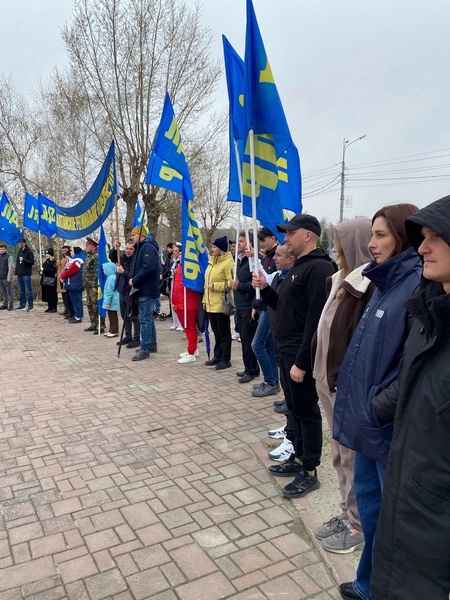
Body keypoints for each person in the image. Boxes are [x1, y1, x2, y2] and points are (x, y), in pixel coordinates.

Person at [333, 204, 422, 600]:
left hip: (385, 427)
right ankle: (368, 584)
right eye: (371, 235)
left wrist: (376, 406)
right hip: (368, 424)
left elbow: (412, 364)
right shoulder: (384, 281)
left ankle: (380, 587)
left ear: (403, 236)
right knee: (372, 514)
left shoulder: (418, 284)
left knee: (392, 520)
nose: (371, 244)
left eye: (381, 235)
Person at [370, 195, 450, 600]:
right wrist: (376, 408)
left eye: (437, 237)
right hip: (409, 498)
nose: (422, 247)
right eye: (423, 236)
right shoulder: (431, 309)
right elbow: (412, 377)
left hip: (437, 523)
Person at [253, 214, 336, 498]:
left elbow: (315, 321)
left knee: (307, 412)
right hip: (286, 351)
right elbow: (284, 308)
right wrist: (265, 290)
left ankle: (310, 470)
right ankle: (298, 458)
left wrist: (302, 362)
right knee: (295, 410)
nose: (286, 239)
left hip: (299, 356)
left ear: (308, 235)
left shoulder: (318, 268)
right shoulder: (298, 268)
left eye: (291, 233)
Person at [312, 218, 374, 554]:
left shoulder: (366, 286)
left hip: (344, 387)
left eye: (338, 242)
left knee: (351, 456)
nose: (334, 248)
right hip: (326, 381)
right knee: (336, 453)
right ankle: (345, 512)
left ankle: (358, 525)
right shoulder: (338, 279)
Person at [264, 243, 296, 463]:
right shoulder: (279, 277)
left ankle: (294, 440)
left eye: (279, 254)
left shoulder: (296, 277)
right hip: (279, 338)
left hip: (292, 345)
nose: (274, 258)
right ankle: (289, 427)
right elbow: (278, 305)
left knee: (297, 399)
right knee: (288, 393)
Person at [251, 227, 279, 397]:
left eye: (263, 240)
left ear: (273, 238)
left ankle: (270, 380)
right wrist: (256, 304)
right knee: (267, 345)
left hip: (270, 306)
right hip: (263, 305)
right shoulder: (268, 256)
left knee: (257, 344)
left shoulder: (276, 257)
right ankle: (273, 381)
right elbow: (258, 282)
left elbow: (269, 281)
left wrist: (255, 258)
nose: (261, 244)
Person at [128, 224, 161, 361]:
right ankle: (151, 344)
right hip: (143, 289)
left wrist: (135, 280)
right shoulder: (140, 248)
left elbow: (148, 267)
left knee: (145, 319)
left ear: (141, 235)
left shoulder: (147, 247)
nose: (132, 237)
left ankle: (145, 348)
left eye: (134, 235)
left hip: (146, 289)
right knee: (147, 319)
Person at [203, 235, 235, 370]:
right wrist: (204, 300)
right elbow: (206, 283)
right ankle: (218, 355)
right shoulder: (212, 262)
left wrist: (217, 286)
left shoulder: (228, 262)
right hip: (210, 303)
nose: (212, 249)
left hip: (221, 303)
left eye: (214, 247)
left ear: (220, 249)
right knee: (216, 332)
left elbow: (231, 282)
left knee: (224, 332)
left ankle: (226, 358)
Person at [232, 232, 259, 383]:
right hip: (240, 304)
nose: (239, 244)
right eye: (238, 241)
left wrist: (239, 286)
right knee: (244, 338)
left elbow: (255, 284)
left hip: (249, 305)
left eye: (242, 241)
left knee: (248, 340)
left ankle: (251, 370)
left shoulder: (253, 261)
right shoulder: (238, 260)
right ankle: (251, 367)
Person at [172, 249, 201, 364]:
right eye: (179, 254)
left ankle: (191, 352)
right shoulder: (179, 267)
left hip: (188, 303)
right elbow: (176, 286)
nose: (180, 255)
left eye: (182, 254)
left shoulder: (191, 268)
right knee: (186, 327)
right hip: (180, 302)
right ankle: (193, 348)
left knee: (190, 327)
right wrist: (174, 302)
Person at [110, 239, 140, 348]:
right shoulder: (122, 258)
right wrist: (115, 247)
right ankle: (128, 336)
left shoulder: (136, 260)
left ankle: (136, 338)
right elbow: (113, 257)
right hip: (121, 290)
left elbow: (135, 275)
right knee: (124, 315)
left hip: (131, 291)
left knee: (133, 316)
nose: (128, 251)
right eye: (127, 248)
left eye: (131, 249)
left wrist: (124, 272)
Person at [83, 237, 105, 334]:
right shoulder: (88, 256)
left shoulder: (96, 256)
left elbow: (97, 272)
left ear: (93, 246)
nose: (86, 247)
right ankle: (93, 323)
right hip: (88, 285)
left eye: (87, 246)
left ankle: (101, 325)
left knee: (96, 305)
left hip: (93, 285)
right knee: (89, 305)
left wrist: (95, 285)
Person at [60, 246, 85, 324]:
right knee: (74, 301)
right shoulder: (74, 260)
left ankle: (78, 317)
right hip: (72, 283)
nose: (70, 252)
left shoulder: (78, 260)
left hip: (75, 284)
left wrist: (63, 276)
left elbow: (71, 270)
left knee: (77, 301)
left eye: (72, 251)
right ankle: (76, 315)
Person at [15, 238, 35, 311]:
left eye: (20, 243)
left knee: (28, 290)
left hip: (26, 273)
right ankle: (22, 305)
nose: (19, 244)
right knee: (21, 291)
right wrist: (16, 273)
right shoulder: (19, 252)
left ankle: (30, 305)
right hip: (20, 273)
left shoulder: (28, 251)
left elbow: (32, 262)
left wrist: (24, 260)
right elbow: (17, 263)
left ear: (24, 243)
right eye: (18, 243)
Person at [101, 261, 120, 337]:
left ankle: (114, 331)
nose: (103, 271)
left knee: (112, 315)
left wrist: (107, 302)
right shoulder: (112, 277)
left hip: (112, 300)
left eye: (104, 269)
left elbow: (109, 291)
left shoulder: (110, 278)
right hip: (113, 299)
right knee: (111, 315)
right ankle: (111, 330)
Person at [168, 244, 183, 331]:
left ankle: (181, 323)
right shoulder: (173, 261)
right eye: (174, 251)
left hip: (179, 283)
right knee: (173, 301)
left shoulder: (180, 263)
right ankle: (175, 322)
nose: (174, 253)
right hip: (173, 281)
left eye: (176, 251)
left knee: (179, 302)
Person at [57, 245, 74, 319]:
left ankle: (70, 311)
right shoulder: (62, 259)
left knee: (68, 297)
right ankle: (66, 309)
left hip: (66, 279)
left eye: (65, 250)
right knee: (64, 296)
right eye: (62, 251)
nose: (63, 252)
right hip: (61, 279)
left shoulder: (70, 259)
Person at [40, 248, 58, 313]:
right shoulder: (45, 262)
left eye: (48, 254)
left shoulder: (54, 262)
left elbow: (52, 270)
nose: (46, 255)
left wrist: (44, 270)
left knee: (52, 294)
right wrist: (41, 272)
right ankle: (49, 307)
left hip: (51, 280)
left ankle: (54, 307)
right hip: (45, 280)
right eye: (46, 254)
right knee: (47, 294)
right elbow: (42, 269)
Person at [0, 243, 14, 310]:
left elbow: (10, 267)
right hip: (0, 277)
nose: (1, 250)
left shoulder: (9, 257)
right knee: (3, 292)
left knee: (9, 292)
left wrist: (9, 276)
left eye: (2, 249)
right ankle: (5, 304)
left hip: (6, 277)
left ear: (5, 249)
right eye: (0, 249)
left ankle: (10, 305)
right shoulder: (0, 257)